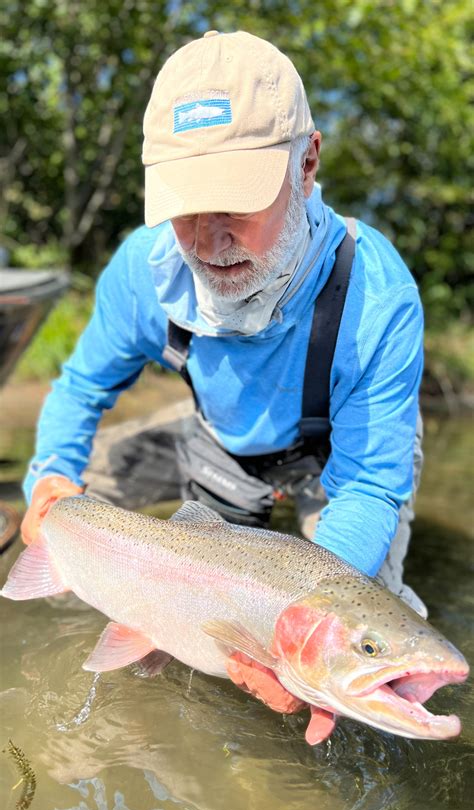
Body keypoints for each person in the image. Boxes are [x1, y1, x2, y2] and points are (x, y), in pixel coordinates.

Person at [20, 31, 426, 716]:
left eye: (236, 201)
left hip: (343, 464)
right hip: (221, 444)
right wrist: (48, 476)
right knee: (162, 626)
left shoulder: (378, 297)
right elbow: (82, 388)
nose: (209, 240)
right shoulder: (144, 272)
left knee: (362, 650)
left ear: (307, 164)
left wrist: (301, 634)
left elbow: (369, 485)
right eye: (187, 204)